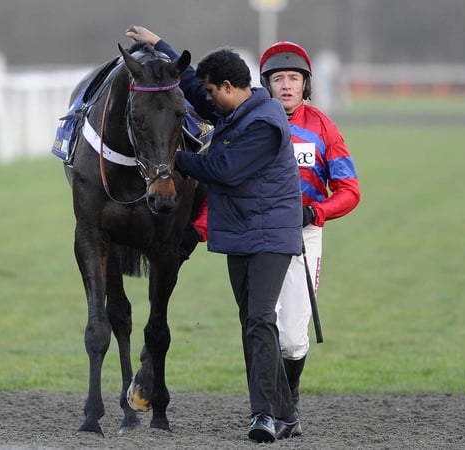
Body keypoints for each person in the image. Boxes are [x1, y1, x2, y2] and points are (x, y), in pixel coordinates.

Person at [127, 27, 361, 438]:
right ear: (263, 83)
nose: (286, 85)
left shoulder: (281, 125)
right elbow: (196, 90)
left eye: (294, 78)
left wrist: (170, 161)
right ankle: (285, 413)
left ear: (306, 84)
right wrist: (161, 45)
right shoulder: (236, 108)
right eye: (279, 78)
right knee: (257, 323)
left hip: (284, 232)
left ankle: (266, 414)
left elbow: (225, 171)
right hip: (243, 232)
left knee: (277, 331)